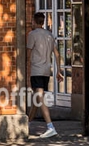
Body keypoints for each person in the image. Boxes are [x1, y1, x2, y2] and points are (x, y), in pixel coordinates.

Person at [27, 11, 62, 139]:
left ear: (35, 21)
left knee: (39, 97)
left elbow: (28, 53)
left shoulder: (32, 35)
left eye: (32, 21)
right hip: (47, 70)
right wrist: (58, 70)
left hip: (36, 70)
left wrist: (25, 71)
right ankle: (28, 123)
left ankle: (50, 126)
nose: (31, 23)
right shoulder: (50, 35)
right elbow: (57, 54)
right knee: (37, 99)